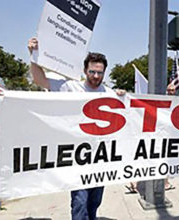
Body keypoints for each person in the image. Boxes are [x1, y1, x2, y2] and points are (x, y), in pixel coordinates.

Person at [28, 37, 125, 220]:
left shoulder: (110, 93)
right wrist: (33, 55)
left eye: (100, 73)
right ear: (84, 70)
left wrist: (122, 97)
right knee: (80, 202)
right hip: (78, 158)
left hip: (101, 159)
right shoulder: (70, 87)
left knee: (94, 202)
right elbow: (40, 80)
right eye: (92, 71)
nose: (96, 76)